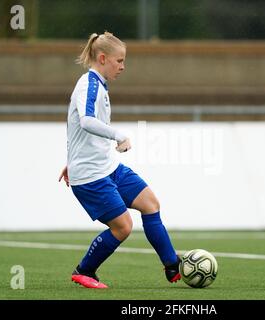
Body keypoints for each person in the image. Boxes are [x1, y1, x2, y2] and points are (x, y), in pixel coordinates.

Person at [58, 32, 181, 289]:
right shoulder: (88, 84)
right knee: (123, 226)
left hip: (107, 166)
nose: (123, 67)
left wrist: (73, 158)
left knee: (150, 203)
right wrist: (119, 136)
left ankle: (173, 266)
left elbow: (76, 126)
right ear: (103, 58)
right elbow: (86, 121)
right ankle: (84, 270)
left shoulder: (99, 83)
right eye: (120, 61)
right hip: (92, 176)